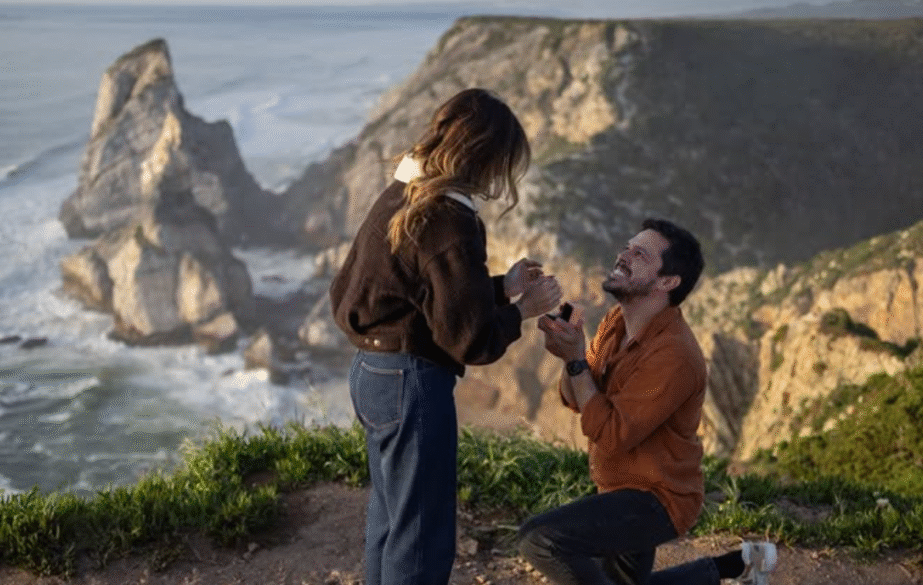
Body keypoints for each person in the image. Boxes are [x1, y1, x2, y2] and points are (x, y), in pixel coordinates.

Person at [330, 88, 563, 585]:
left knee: (390, 520)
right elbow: (470, 339)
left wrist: (503, 287)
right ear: (484, 157)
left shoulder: (403, 195)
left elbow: (418, 291)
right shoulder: (451, 220)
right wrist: (524, 310)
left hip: (371, 372)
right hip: (412, 381)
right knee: (421, 534)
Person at [518, 218, 778, 585]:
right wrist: (570, 357)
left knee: (540, 540)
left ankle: (738, 567)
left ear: (667, 282)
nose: (622, 256)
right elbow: (574, 397)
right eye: (626, 247)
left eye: (639, 254)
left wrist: (576, 360)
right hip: (619, 486)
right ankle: (737, 566)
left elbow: (611, 434)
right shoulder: (615, 323)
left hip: (658, 500)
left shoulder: (674, 355)